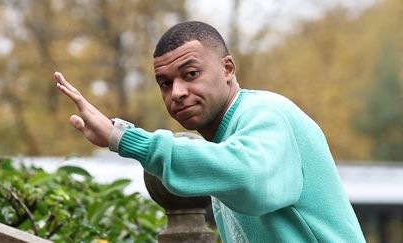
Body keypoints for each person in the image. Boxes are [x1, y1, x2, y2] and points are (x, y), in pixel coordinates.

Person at [54, 21, 365, 242]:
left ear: (227, 69)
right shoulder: (224, 141)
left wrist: (122, 137)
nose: (176, 92)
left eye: (190, 74)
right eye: (165, 83)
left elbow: (248, 178)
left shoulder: (266, 114)